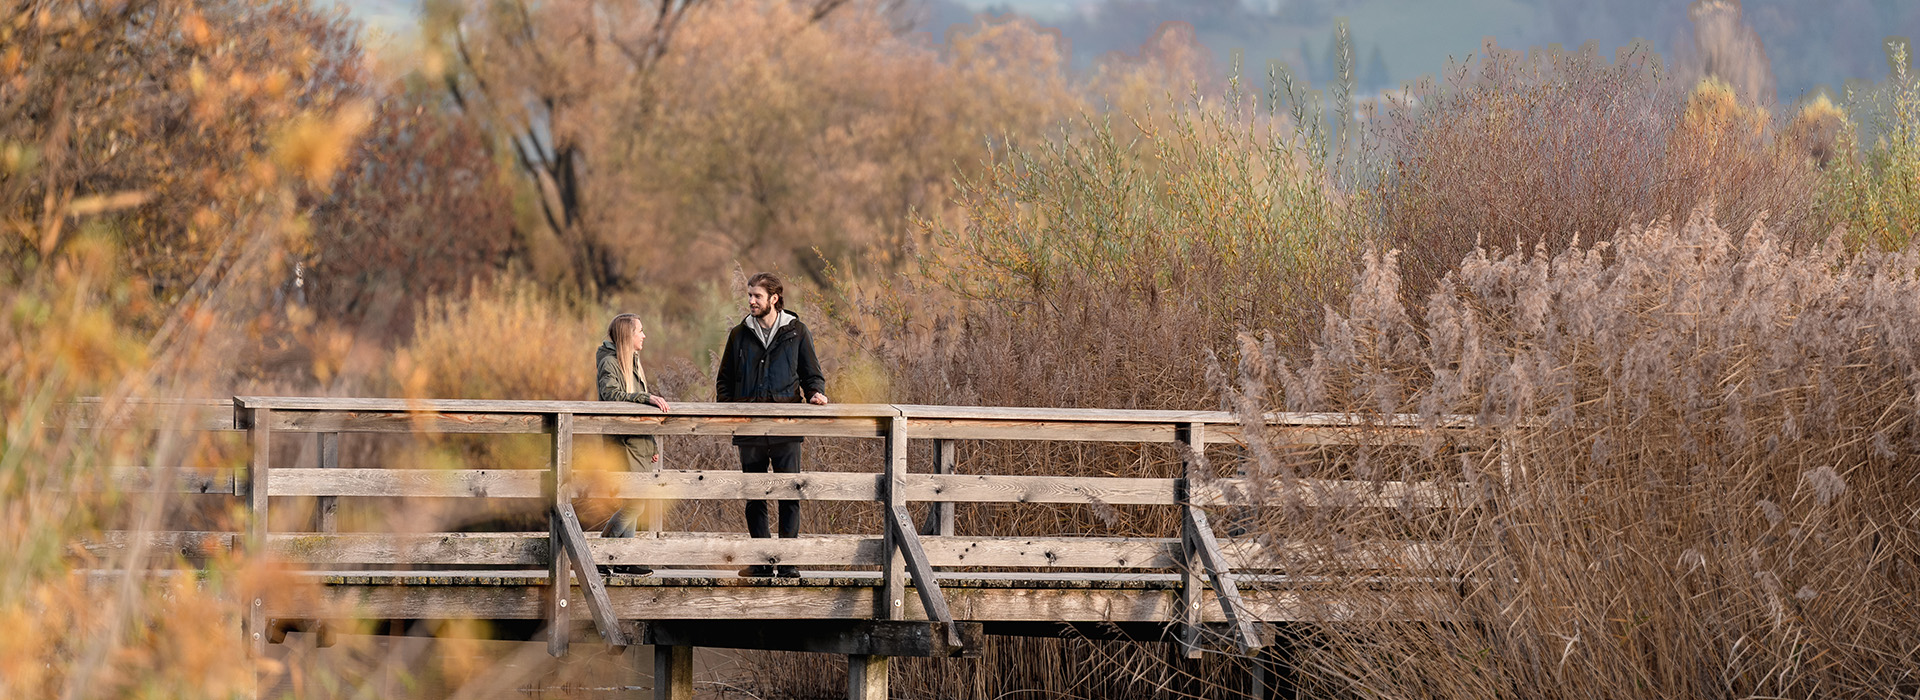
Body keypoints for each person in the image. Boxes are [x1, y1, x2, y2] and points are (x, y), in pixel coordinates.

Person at [716, 272, 827, 578]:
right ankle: (762, 563)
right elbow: (724, 380)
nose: (751, 301)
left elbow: (811, 374)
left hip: (786, 427)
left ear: (774, 299)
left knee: (789, 494)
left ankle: (788, 563)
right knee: (755, 496)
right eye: (750, 295)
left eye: (757, 296)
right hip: (749, 429)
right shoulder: (739, 334)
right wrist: (730, 412)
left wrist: (815, 393)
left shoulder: (797, 332)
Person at [595, 313, 672, 576]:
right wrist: (647, 397)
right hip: (622, 443)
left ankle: (623, 560)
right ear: (628, 335)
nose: (644, 335)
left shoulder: (633, 361)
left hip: (638, 443)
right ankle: (600, 555)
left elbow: (639, 412)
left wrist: (651, 445)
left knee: (634, 502)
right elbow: (611, 396)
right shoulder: (610, 362)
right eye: (640, 330)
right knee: (635, 504)